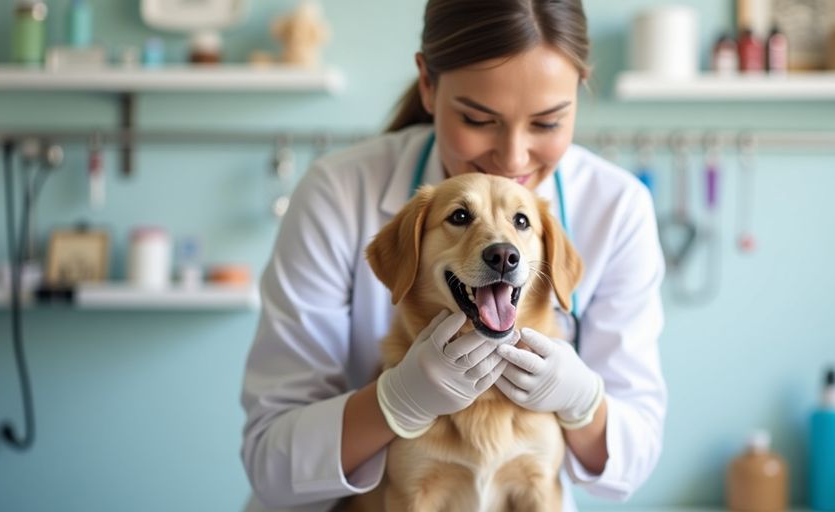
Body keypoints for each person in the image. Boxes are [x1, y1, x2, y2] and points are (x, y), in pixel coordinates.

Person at [239, 1, 667, 510]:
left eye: (547, 122)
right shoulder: (337, 192)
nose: (512, 159)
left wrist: (583, 402)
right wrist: (395, 401)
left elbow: (632, 456)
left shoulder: (618, 207)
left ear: (578, 94)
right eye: (478, 118)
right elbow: (272, 460)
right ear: (427, 84)